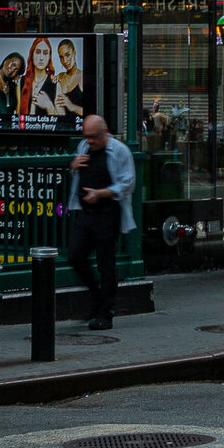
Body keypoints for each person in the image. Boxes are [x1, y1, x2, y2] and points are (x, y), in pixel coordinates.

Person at [67, 113, 136, 329]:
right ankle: (96, 296)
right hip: (86, 213)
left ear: (105, 133)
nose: (90, 141)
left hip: (107, 212)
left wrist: (101, 193)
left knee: (106, 263)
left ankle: (105, 313)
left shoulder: (119, 151)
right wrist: (74, 166)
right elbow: (76, 175)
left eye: (94, 137)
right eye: (86, 136)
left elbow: (127, 184)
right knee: (75, 255)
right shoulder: (83, 147)